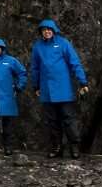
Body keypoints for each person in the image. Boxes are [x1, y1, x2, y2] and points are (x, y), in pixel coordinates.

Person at [30, 18, 89, 158]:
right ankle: (57, 147)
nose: (47, 32)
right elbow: (35, 68)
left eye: (49, 29)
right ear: (41, 32)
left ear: (54, 30)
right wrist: (36, 85)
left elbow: (75, 63)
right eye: (44, 30)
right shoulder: (37, 47)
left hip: (64, 90)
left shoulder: (63, 43)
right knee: (52, 121)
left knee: (69, 119)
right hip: (47, 90)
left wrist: (83, 82)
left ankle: (74, 147)